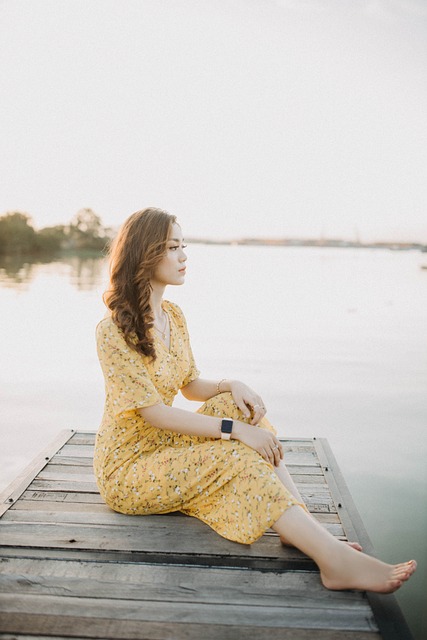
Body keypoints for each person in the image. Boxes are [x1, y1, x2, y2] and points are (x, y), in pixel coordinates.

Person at [94, 207, 416, 593]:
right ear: (145, 254)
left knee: (240, 408)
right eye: (173, 247)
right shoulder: (112, 330)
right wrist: (234, 433)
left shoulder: (173, 316)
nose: (184, 256)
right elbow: (155, 412)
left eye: (184, 245)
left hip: (161, 446)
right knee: (234, 451)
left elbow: (190, 385)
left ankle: (303, 530)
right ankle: (333, 560)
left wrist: (233, 384)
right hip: (128, 468)